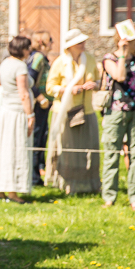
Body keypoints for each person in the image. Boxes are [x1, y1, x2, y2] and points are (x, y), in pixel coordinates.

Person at [45, 29, 100, 194]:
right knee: (67, 149)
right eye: (79, 43)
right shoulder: (60, 62)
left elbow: (99, 80)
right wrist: (68, 89)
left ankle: (88, 184)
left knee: (89, 147)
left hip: (87, 110)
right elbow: (50, 87)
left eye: (83, 42)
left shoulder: (90, 59)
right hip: (65, 111)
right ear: (70, 46)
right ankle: (67, 184)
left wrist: (94, 85)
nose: (83, 45)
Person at [100, 24, 135, 210]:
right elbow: (119, 76)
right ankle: (109, 197)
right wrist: (122, 54)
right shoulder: (109, 59)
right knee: (111, 154)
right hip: (116, 111)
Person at [0, 36, 35, 203]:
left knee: (3, 150)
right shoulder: (20, 66)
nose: (30, 51)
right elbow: (23, 94)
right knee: (16, 151)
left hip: (5, 112)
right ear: (22, 49)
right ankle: (12, 192)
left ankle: (0, 190)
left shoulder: (5, 63)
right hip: (17, 114)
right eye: (28, 48)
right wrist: (30, 115)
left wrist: (5, 91)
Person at [27, 31, 52, 186]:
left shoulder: (40, 57)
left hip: (43, 104)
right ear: (42, 42)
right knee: (37, 138)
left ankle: (37, 172)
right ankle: (34, 177)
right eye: (50, 40)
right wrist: (40, 97)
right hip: (38, 104)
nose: (52, 43)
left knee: (41, 137)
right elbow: (29, 79)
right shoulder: (38, 58)